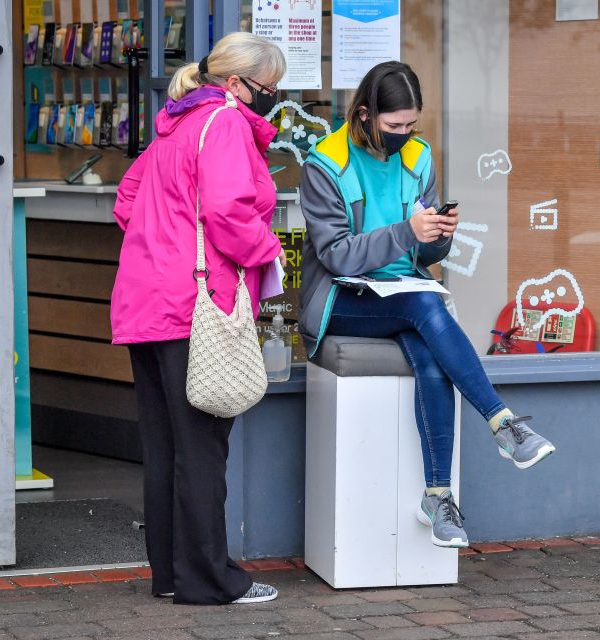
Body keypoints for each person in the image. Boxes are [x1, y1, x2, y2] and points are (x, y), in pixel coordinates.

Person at [298, 61, 556, 549]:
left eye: (411, 125)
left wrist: (438, 237)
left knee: (428, 344)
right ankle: (502, 423)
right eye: (394, 126)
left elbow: (425, 254)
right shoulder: (324, 163)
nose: (404, 135)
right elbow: (334, 255)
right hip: (340, 299)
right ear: (364, 115)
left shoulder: (418, 157)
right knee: (426, 307)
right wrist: (405, 232)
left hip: (402, 293)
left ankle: (438, 496)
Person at [110, 32, 286, 605]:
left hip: (149, 302)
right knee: (204, 447)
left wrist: (163, 248)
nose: (273, 99)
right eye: (268, 88)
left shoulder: (174, 125)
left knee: (167, 448)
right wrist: (269, 250)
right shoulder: (227, 123)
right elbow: (229, 210)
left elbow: (126, 202)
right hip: (195, 307)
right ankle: (211, 581)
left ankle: (173, 576)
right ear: (235, 84)